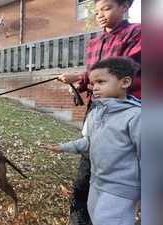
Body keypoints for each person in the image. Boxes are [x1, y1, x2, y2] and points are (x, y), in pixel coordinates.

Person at [57, 0, 141, 223]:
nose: (100, 15)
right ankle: (82, 215)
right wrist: (81, 80)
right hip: (96, 110)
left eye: (106, 8)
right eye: (96, 11)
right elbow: (94, 77)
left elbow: (125, 71)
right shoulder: (94, 42)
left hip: (122, 112)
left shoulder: (138, 33)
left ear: (124, 7)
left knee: (117, 165)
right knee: (88, 163)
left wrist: (83, 78)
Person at [43, 57, 140, 225]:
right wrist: (63, 147)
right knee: (95, 218)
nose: (95, 87)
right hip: (96, 182)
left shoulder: (136, 116)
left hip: (121, 189)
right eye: (93, 83)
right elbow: (88, 142)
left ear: (125, 82)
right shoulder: (95, 113)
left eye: (101, 82)